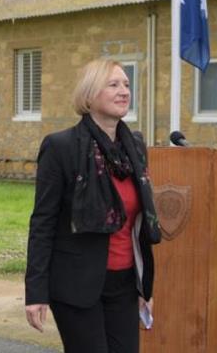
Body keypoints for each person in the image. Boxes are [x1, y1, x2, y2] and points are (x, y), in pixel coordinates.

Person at [25, 58, 161, 353]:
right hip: (76, 285)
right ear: (89, 95)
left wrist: (145, 286)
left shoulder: (135, 147)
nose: (124, 91)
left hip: (125, 283)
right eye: (113, 84)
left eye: (126, 84)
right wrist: (35, 291)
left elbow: (139, 224)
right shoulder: (61, 147)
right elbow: (43, 222)